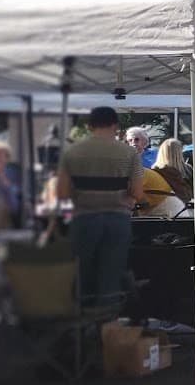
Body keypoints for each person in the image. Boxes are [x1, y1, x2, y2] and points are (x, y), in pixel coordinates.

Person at [56, 106, 145, 307]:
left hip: (84, 219)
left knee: (83, 275)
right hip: (117, 221)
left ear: (89, 126)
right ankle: (107, 327)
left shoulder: (72, 152)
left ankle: (83, 327)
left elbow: (61, 193)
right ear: (115, 125)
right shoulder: (129, 153)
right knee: (110, 276)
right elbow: (138, 193)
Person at [152, 138, 194, 205]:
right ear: (180, 152)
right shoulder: (188, 169)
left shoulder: (156, 170)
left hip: (163, 204)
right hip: (186, 205)